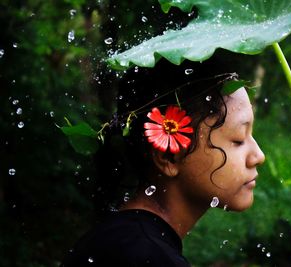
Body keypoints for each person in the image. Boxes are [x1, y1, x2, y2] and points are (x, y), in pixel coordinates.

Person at [61, 56, 265, 266]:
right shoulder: (148, 257)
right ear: (169, 157)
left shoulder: (123, 240)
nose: (258, 156)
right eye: (239, 139)